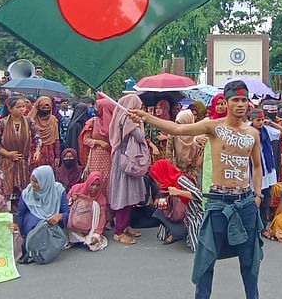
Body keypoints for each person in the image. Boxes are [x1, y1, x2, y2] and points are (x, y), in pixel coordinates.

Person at [132, 79, 278, 299]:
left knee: (251, 259)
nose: (241, 105)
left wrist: (257, 194)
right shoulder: (213, 127)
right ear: (227, 102)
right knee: (207, 260)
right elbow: (177, 128)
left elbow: (257, 166)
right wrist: (144, 117)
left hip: (244, 203)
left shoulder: (253, 134)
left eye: (244, 101)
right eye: (236, 100)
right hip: (217, 203)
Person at [109, 93, 149, 245]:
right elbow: (140, 136)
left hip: (125, 160)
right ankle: (119, 231)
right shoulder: (127, 119)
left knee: (128, 195)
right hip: (126, 162)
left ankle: (125, 225)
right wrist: (140, 123)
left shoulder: (122, 116)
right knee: (123, 195)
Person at [0, 97, 41, 210]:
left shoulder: (29, 122)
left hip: (23, 163)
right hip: (5, 164)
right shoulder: (1, 123)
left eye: (23, 106)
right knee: (3, 194)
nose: (22, 109)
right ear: (10, 108)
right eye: (18, 107)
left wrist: (37, 150)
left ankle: (18, 219)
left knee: (20, 194)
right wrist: (8, 154)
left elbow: (37, 138)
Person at [16, 165, 69, 263]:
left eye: (36, 181)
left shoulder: (58, 190)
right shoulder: (27, 193)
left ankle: (46, 249)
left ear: (46, 181)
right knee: (34, 222)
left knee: (45, 226)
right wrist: (21, 233)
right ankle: (31, 248)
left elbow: (66, 212)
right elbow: (20, 214)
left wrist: (59, 216)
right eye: (31, 180)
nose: (32, 184)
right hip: (33, 222)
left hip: (52, 222)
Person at [150, 159, 203, 250]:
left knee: (196, 246)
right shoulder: (166, 183)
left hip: (191, 213)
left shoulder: (180, 179)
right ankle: (175, 232)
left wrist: (178, 192)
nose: (156, 181)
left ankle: (180, 232)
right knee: (160, 210)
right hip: (178, 211)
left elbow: (200, 195)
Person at [249, 109, 282, 237]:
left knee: (266, 200)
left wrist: (271, 123)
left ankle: (263, 227)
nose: (260, 122)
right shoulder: (247, 130)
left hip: (267, 170)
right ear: (251, 120)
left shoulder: (266, 130)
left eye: (262, 119)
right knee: (252, 200)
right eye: (258, 120)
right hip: (251, 170)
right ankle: (252, 227)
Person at [80, 97, 115, 216]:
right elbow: (85, 139)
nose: (96, 109)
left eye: (98, 107)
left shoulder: (114, 123)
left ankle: (109, 216)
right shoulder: (93, 122)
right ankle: (95, 213)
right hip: (96, 157)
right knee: (96, 182)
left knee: (109, 185)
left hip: (111, 157)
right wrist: (99, 142)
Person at [67, 171, 108, 252]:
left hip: (88, 228)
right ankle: (74, 237)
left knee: (95, 205)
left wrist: (97, 234)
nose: (94, 188)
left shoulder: (101, 198)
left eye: (97, 185)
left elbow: (102, 218)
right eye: (92, 184)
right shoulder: (76, 189)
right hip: (72, 226)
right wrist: (72, 200)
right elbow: (65, 205)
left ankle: (87, 236)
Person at [171, 109, 207, 182]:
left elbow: (199, 160)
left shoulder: (197, 136)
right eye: (177, 123)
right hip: (175, 171)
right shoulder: (173, 135)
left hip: (192, 172)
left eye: (180, 123)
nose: (178, 126)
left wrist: (193, 176)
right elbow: (169, 155)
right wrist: (174, 171)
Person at [28, 96, 60, 169]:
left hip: (49, 152)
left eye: (48, 108)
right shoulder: (31, 120)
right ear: (38, 107)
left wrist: (57, 156)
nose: (46, 110)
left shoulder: (53, 120)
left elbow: (56, 139)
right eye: (43, 108)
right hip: (34, 152)